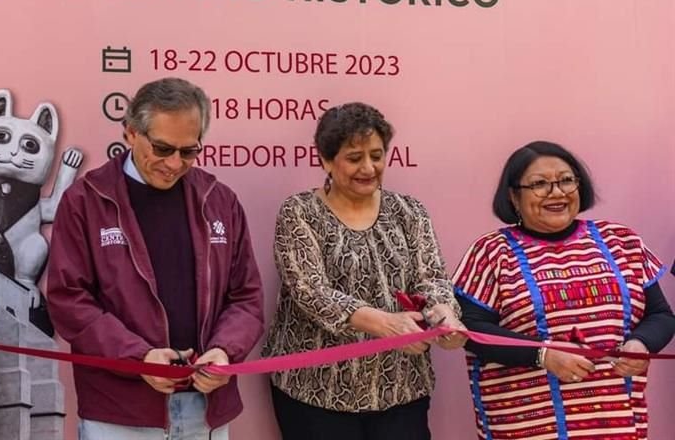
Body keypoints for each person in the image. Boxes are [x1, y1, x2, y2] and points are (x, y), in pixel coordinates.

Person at [46, 77, 264, 440]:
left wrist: (225, 351)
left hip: (207, 408)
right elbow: (69, 300)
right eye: (162, 148)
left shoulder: (219, 199)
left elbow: (246, 297)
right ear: (130, 133)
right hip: (119, 413)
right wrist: (138, 358)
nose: (174, 163)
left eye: (189, 151)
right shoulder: (86, 199)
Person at [263, 102, 465, 440]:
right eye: (355, 158)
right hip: (315, 393)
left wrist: (444, 315)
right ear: (326, 160)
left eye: (377, 155)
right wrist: (386, 324)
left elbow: (431, 279)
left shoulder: (409, 211)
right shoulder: (299, 212)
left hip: (400, 389)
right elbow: (310, 291)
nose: (369, 167)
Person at [453, 140, 675, 440]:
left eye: (566, 180)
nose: (556, 192)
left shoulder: (621, 240)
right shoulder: (492, 252)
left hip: (616, 422)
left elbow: (660, 314)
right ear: (514, 197)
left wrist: (641, 344)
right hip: (526, 426)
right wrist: (543, 355)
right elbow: (469, 329)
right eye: (539, 184)